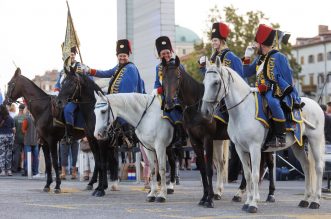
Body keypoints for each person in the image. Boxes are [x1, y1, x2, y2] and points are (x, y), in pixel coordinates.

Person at [242, 24, 301, 148]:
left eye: (256, 43)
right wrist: (247, 56)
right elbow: (246, 73)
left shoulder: (279, 56)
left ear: (262, 43)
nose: (254, 45)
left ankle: (281, 136)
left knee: (272, 102)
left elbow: (287, 77)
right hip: (259, 90)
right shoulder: (259, 58)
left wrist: (271, 87)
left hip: (275, 90)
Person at [153, 36, 187, 147]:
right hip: (163, 96)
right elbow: (157, 83)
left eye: (168, 52)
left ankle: (180, 135)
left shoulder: (177, 64)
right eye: (163, 54)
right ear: (160, 56)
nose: (166, 55)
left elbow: (183, 81)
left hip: (177, 95)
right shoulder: (158, 67)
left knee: (172, 107)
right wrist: (156, 89)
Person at [54, 46, 87, 144]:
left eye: (72, 54)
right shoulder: (62, 70)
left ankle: (70, 133)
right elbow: (58, 84)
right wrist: (56, 92)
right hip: (65, 97)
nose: (71, 57)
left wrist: (84, 73)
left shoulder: (81, 67)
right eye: (68, 55)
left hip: (77, 98)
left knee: (68, 110)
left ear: (75, 55)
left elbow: (89, 81)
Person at [21, 109, 39, 176]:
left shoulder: (27, 119)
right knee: (35, 157)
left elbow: (23, 129)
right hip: (35, 140)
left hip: (28, 141)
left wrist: (27, 133)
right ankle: (35, 172)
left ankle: (26, 171)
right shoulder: (38, 119)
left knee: (27, 157)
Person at [0, 104, 15, 176]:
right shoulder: (11, 118)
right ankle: (9, 170)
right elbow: (14, 129)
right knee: (9, 153)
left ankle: (2, 171)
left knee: (2, 154)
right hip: (9, 136)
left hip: (1, 136)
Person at [12, 104, 26, 173]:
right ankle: (25, 168)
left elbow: (13, 129)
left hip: (17, 138)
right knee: (26, 153)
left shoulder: (15, 118)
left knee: (17, 154)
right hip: (25, 138)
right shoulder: (26, 117)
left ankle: (15, 168)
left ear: (19, 109)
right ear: (24, 109)